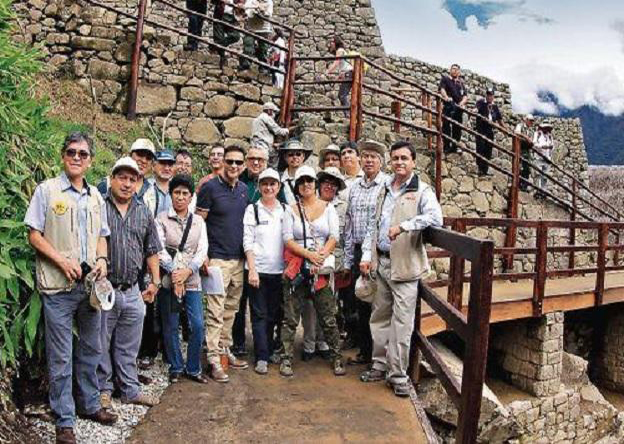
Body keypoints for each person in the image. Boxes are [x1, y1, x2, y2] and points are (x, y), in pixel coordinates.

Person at [25, 132, 115, 444]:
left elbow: (102, 234)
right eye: (71, 152)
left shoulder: (95, 197)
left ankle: (89, 405)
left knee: (91, 348)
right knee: (61, 356)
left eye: (83, 154)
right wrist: (62, 262)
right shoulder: (47, 190)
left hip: (90, 288)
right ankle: (64, 419)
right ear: (63, 155)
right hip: (57, 287)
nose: (76, 157)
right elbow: (34, 235)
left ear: (90, 160)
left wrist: (102, 258)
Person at [359, 141, 443, 397]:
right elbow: (373, 226)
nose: (399, 163)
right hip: (382, 261)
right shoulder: (385, 188)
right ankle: (379, 365)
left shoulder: (422, 190)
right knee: (379, 316)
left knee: (402, 323)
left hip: (405, 266)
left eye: (404, 158)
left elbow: (435, 218)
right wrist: (366, 254)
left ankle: (397, 375)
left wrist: (405, 226)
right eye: (395, 158)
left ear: (413, 162)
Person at [97, 157, 162, 409]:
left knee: (128, 344)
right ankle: (103, 390)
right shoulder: (99, 208)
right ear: (111, 179)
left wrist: (155, 281)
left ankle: (129, 389)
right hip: (105, 289)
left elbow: (152, 249)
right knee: (101, 342)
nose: (126, 184)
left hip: (133, 289)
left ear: (138, 183)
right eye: (121, 178)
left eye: (132, 179)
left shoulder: (143, 212)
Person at [280, 165, 346, 377]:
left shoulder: (328, 208)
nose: (306, 185)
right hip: (298, 267)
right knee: (291, 317)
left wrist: (321, 256)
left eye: (309, 180)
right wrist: (308, 255)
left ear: (314, 183)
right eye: (302, 182)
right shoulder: (291, 210)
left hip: (320, 269)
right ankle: (286, 358)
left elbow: (334, 236)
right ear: (297, 186)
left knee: (328, 315)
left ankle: (337, 357)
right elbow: (288, 239)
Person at [196, 144, 250, 383]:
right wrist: (202, 255)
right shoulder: (209, 188)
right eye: (230, 161)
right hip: (216, 258)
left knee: (231, 310)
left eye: (239, 162)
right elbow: (198, 223)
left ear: (244, 165)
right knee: (215, 311)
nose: (234, 166)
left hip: (237, 259)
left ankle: (225, 349)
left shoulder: (244, 190)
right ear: (223, 162)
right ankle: (213, 359)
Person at [156, 174, 209, 384]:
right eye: (176, 192)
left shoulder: (198, 222)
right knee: (171, 324)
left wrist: (187, 272)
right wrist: (176, 274)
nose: (180, 197)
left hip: (193, 279)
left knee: (197, 324)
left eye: (184, 193)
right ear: (171, 195)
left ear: (191, 196)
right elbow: (159, 249)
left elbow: (202, 249)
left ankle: (194, 367)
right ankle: (176, 366)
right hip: (169, 279)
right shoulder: (161, 219)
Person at [342, 140, 388, 363]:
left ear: (381, 161)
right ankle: (365, 351)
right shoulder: (355, 187)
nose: (369, 160)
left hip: (378, 252)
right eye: (366, 156)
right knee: (360, 300)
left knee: (378, 303)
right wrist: (350, 257)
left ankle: (378, 356)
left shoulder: (386, 185)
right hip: (359, 251)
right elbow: (349, 224)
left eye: (374, 156)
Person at [242, 168, 285, 374]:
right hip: (257, 270)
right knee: (259, 314)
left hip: (279, 271)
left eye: (272, 184)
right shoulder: (253, 210)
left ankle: (267, 349)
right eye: (264, 184)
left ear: (279, 187)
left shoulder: (285, 210)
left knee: (274, 314)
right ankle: (261, 356)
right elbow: (247, 241)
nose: (268, 188)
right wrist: (252, 269)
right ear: (259, 187)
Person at [231, 145, 270, 356]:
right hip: (237, 250)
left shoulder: (273, 184)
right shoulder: (239, 181)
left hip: (262, 255)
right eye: (252, 158)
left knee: (262, 304)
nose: (256, 163)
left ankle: (265, 344)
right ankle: (237, 342)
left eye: (260, 160)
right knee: (238, 299)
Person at [138, 149, 175, 369]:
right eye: (162, 163)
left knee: (169, 303)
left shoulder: (177, 190)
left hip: (174, 254)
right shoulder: (146, 190)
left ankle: (167, 347)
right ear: (155, 166)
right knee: (149, 301)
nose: (166, 167)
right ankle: (148, 350)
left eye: (170, 163)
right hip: (150, 252)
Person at [439, 64, 468, 153]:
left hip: (458, 108)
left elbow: (465, 96)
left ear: (459, 72)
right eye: (453, 69)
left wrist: (462, 103)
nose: (455, 71)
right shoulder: (446, 79)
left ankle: (455, 146)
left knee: (457, 127)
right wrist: (446, 97)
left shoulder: (461, 84)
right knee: (446, 126)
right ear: (450, 70)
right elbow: (442, 89)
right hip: (448, 106)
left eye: (456, 69)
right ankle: (446, 147)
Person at [475, 87, 504, 176]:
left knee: (488, 149)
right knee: (481, 148)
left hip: (489, 130)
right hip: (481, 128)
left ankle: (485, 169)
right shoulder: (481, 103)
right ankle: (480, 169)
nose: (489, 97)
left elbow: (499, 119)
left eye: (491, 95)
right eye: (488, 95)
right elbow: (476, 109)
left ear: (493, 96)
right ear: (486, 95)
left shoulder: (494, 107)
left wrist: (505, 129)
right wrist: (474, 111)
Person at [251, 102, 289, 167]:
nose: (274, 114)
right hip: (262, 146)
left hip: (256, 145)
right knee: (264, 164)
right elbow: (278, 130)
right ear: (269, 111)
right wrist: (287, 130)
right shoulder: (266, 118)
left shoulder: (257, 119)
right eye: (274, 112)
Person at [240, 0, 273, 70]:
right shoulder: (251, 1)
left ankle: (263, 67)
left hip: (264, 29)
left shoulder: (269, 2)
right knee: (248, 44)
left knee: (263, 48)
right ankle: (246, 64)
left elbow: (269, 14)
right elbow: (246, 11)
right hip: (251, 27)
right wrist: (254, 10)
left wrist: (262, 11)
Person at [279, 139, 312, 205]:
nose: (294, 157)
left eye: (298, 154)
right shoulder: (279, 179)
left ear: (303, 157)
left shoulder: (311, 177)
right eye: (291, 154)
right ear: (285, 157)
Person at [325, 36, 353, 111]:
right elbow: (344, 66)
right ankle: (348, 114)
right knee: (342, 95)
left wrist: (327, 72)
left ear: (336, 43)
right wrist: (338, 77)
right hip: (349, 73)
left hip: (348, 74)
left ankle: (348, 115)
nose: (330, 44)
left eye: (332, 42)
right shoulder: (342, 51)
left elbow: (336, 63)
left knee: (342, 95)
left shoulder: (340, 50)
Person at [212, 0, 240, 67]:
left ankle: (214, 46)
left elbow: (243, 3)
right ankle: (221, 62)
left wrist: (239, 6)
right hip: (220, 14)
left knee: (236, 36)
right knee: (219, 37)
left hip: (231, 17)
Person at [514, 114, 535, 191]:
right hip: (519, 148)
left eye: (532, 121)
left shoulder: (531, 131)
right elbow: (516, 132)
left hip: (526, 151)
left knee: (526, 168)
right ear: (526, 120)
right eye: (530, 120)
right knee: (518, 166)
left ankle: (524, 186)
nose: (531, 122)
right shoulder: (520, 126)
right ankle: (517, 184)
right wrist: (526, 137)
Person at [533, 122, 555, 196]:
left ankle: (543, 191)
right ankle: (538, 190)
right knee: (538, 174)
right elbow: (534, 144)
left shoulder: (550, 136)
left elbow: (552, 146)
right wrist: (542, 146)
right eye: (546, 128)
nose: (547, 129)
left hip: (547, 158)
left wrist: (550, 148)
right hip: (539, 157)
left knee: (545, 176)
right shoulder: (537, 134)